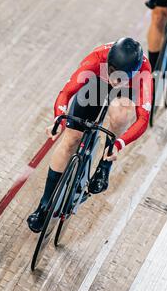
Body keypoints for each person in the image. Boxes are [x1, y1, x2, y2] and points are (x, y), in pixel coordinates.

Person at [27, 38, 153, 233]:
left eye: (120, 75)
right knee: (70, 140)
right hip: (96, 83)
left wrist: (118, 144)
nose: (114, 78)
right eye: (112, 71)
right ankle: (45, 205)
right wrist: (58, 119)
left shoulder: (143, 71)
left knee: (121, 112)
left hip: (125, 92)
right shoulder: (97, 58)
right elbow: (66, 93)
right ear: (108, 63)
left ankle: (105, 162)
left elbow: (143, 119)